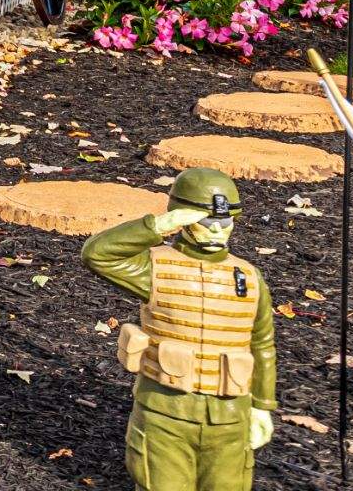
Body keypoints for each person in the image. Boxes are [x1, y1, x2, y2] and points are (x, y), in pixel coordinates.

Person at [82, 167, 276, 491]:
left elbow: (262, 345)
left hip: (229, 418)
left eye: (225, 222)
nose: (217, 230)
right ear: (184, 219)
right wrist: (158, 225)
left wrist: (262, 408)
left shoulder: (249, 278)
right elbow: (97, 254)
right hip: (164, 413)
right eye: (206, 221)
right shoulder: (156, 267)